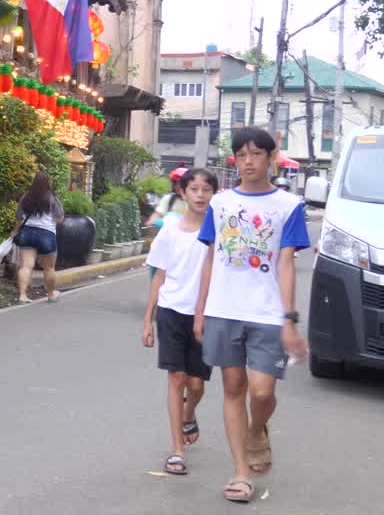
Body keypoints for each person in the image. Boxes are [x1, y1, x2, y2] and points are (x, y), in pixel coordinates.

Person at [193, 127, 310, 503]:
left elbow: (286, 264)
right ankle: (241, 473)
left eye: (256, 154)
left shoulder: (289, 206)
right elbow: (210, 259)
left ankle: (257, 430)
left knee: (262, 393)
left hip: (267, 313)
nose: (248, 162)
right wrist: (200, 311)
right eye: (241, 155)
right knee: (233, 388)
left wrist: (289, 319)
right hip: (223, 309)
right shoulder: (220, 204)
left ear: (271, 158)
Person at [142, 168, 218, 476]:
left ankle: (189, 411)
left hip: (205, 316)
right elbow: (158, 276)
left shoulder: (218, 232)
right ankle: (177, 450)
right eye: (194, 189)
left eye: (206, 189)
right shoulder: (170, 231)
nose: (200, 195)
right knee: (176, 378)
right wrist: (148, 320)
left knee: (196, 386)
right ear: (183, 193)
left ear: (213, 194)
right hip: (171, 311)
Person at [12, 171, 64, 304]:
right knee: (49, 268)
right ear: (48, 183)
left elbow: (19, 218)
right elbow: (60, 219)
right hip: (46, 234)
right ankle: (51, 294)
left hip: (27, 233)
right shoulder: (52, 198)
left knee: (26, 266)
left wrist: (15, 231)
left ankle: (22, 296)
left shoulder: (26, 198)